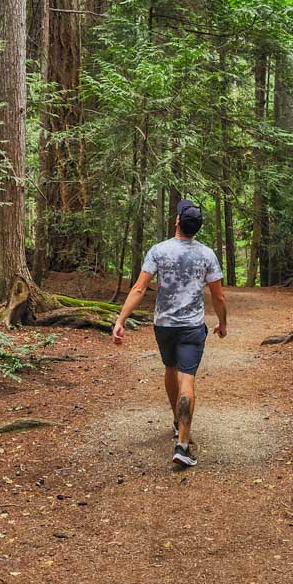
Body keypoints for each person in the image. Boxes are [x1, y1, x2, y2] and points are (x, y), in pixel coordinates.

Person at [112, 199, 227, 469]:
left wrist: (120, 320)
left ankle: (177, 422)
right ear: (196, 227)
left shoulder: (158, 251)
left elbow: (139, 289)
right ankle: (183, 446)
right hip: (191, 327)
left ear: (177, 221)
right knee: (187, 379)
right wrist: (223, 323)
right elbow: (218, 295)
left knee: (169, 367)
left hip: (163, 326)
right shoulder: (207, 254)